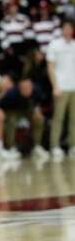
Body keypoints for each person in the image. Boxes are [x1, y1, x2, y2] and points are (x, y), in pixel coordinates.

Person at [46, 20, 75, 158]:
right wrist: (55, 86)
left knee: (73, 119)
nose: (68, 30)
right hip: (61, 87)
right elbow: (50, 67)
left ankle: (73, 145)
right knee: (58, 118)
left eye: (70, 28)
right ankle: (55, 146)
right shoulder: (54, 45)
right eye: (65, 27)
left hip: (73, 86)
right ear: (62, 29)